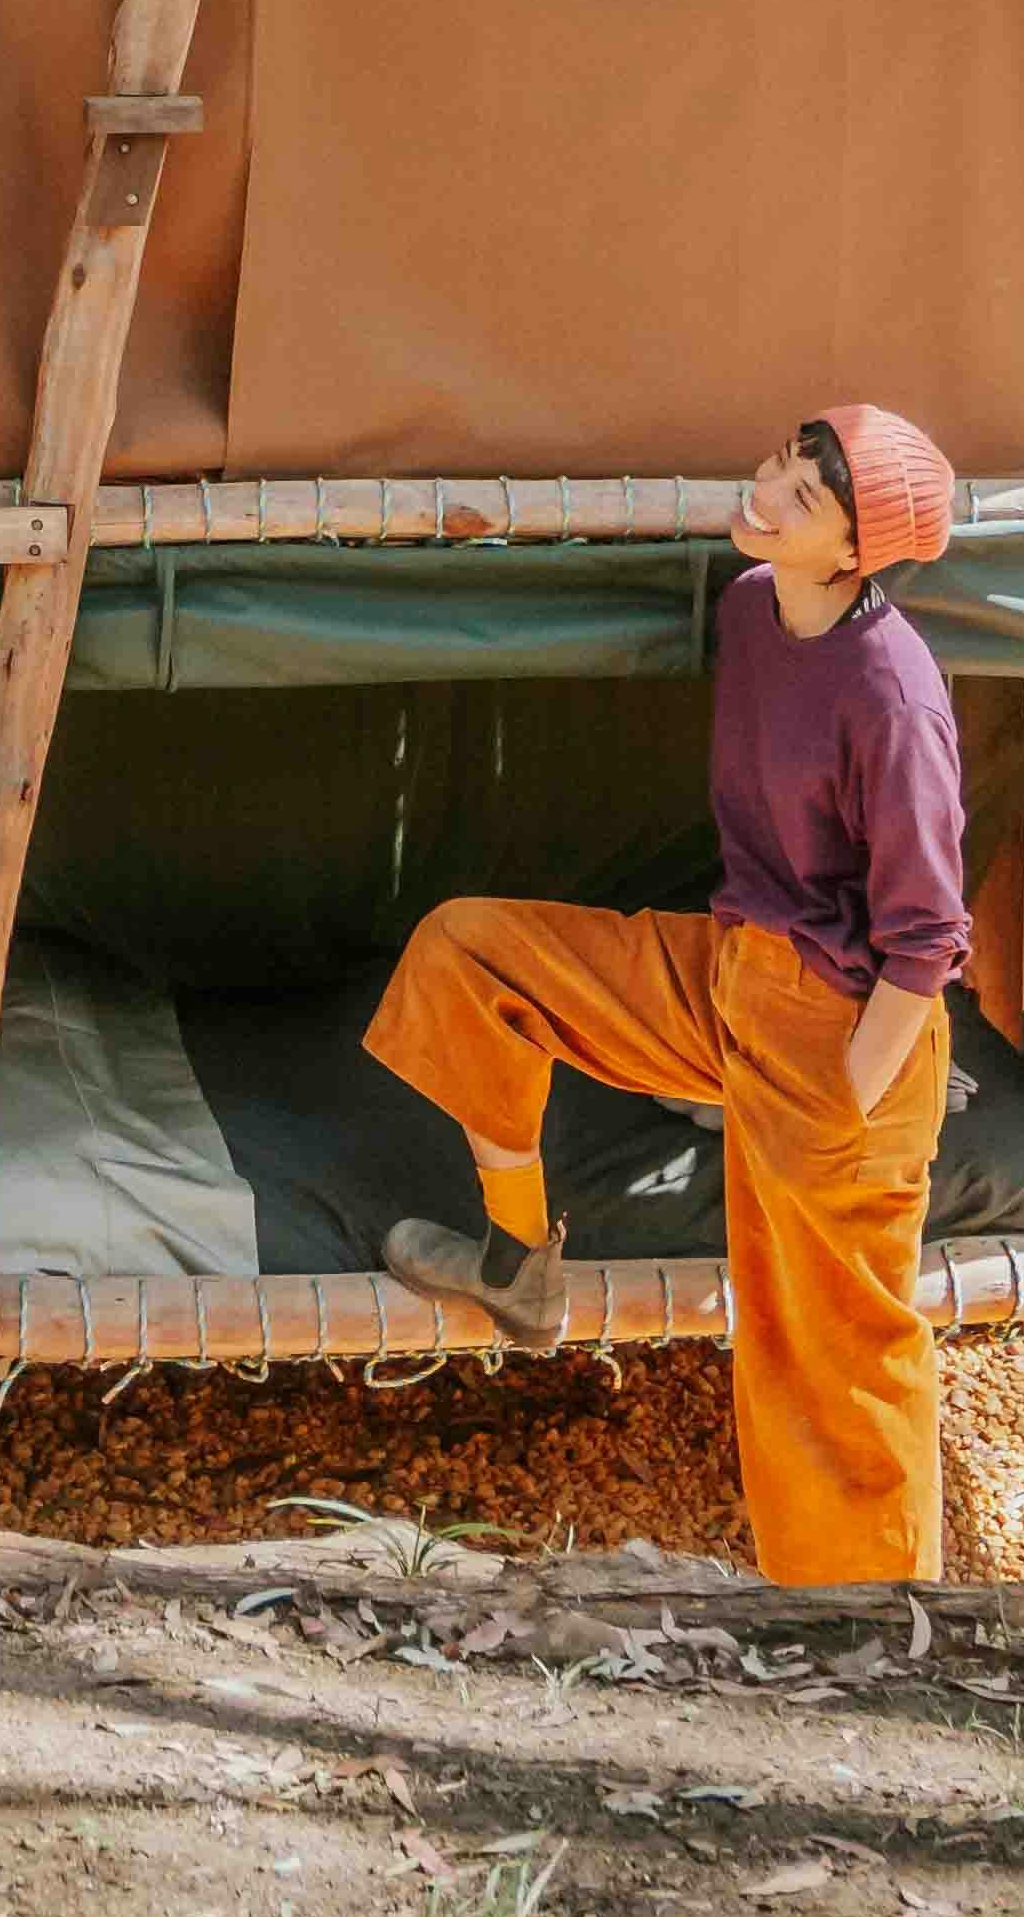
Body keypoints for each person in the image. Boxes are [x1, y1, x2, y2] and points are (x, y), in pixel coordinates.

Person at [366, 403, 977, 1586]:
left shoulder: (895, 697)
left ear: (856, 551)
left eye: (803, 496)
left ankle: (883, 1638)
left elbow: (925, 942)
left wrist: (837, 1102)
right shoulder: (755, 607)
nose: (769, 488)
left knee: (832, 1371)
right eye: (784, 463)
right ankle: (518, 1263)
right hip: (728, 973)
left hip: (848, 1032)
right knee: (471, 954)